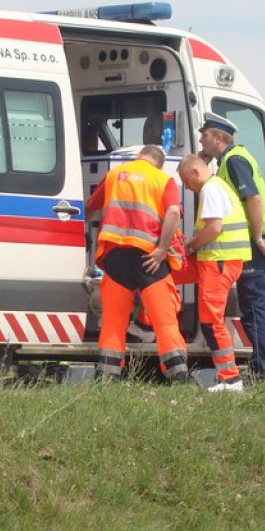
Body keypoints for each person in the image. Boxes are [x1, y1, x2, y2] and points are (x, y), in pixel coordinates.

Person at [85, 145, 189, 383]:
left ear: (139, 157)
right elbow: (173, 212)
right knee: (164, 320)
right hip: (149, 259)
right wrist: (162, 250)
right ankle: (179, 377)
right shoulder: (163, 180)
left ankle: (108, 377)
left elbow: (91, 207)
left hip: (115, 258)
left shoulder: (115, 175)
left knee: (114, 321)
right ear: (159, 163)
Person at [198, 112, 265, 384]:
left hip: (250, 242)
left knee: (255, 308)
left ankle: (263, 372)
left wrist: (258, 238)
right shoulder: (235, 157)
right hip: (255, 239)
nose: (201, 141)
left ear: (217, 137)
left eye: (204, 136)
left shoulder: (234, 160)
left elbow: (253, 199)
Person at [177, 154, 252, 392]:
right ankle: (229, 379)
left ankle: (231, 380)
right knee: (211, 320)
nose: (188, 188)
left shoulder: (210, 189)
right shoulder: (219, 186)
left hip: (218, 262)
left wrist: (191, 245)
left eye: (187, 181)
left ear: (196, 172)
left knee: (211, 321)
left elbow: (214, 228)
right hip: (221, 261)